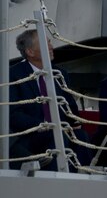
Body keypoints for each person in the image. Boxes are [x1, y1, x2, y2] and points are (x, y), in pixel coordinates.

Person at [9, 29, 93, 170]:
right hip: (30, 135)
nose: (51, 47)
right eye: (45, 43)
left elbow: (69, 107)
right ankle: (58, 180)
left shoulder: (60, 73)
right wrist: (45, 125)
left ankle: (83, 177)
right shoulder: (13, 74)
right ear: (30, 52)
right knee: (55, 135)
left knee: (80, 136)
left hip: (58, 131)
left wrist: (74, 122)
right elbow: (14, 115)